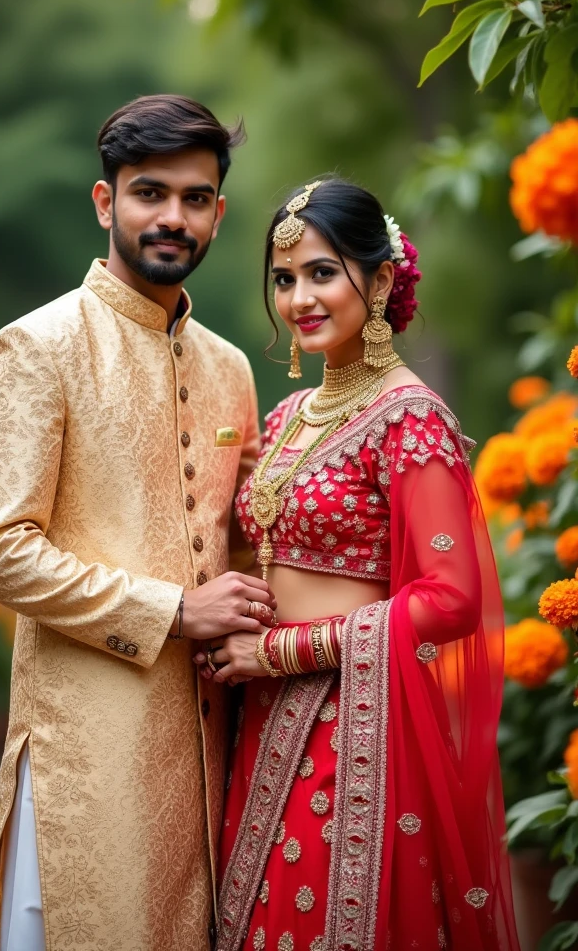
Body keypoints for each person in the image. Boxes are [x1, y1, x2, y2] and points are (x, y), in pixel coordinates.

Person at [0, 94, 278, 951]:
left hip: (213, 751)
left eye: (196, 197)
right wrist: (176, 611)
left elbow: (242, 539)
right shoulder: (36, 347)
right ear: (107, 203)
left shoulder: (231, 365)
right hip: (89, 750)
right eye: (150, 192)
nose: (173, 217)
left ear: (218, 211)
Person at [198, 177, 520, 951]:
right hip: (263, 723)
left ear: (377, 280)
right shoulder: (284, 419)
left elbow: (450, 600)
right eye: (284, 278)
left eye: (321, 272)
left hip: (359, 731)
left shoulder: (410, 417)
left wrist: (276, 650)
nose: (300, 297)